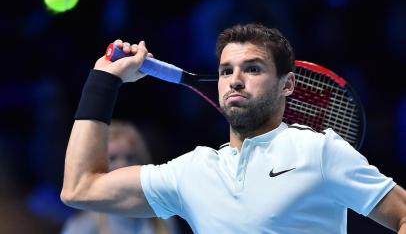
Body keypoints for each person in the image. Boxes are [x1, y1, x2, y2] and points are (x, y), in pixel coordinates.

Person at [61, 23, 406, 233]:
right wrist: (103, 80)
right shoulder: (191, 172)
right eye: (226, 71)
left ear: (287, 85)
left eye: (253, 69)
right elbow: (80, 188)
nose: (235, 80)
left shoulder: (319, 151)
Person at [60, 120, 179, 234]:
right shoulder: (83, 225)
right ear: (95, 164)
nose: (123, 165)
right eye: (112, 158)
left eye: (130, 157)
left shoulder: (163, 218)